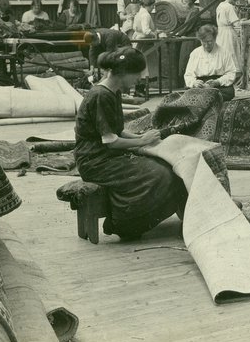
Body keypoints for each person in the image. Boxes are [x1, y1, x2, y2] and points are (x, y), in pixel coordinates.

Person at [74, 47, 187, 241]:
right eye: (136, 75)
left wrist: (140, 138)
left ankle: (187, 215)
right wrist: (142, 142)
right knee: (161, 174)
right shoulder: (101, 96)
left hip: (105, 155)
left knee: (168, 167)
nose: (138, 80)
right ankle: (124, 224)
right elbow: (110, 142)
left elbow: (116, 131)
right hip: (94, 161)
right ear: (123, 73)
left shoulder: (113, 91)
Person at [183, 23, 238, 100]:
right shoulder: (195, 53)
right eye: (203, 42)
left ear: (215, 39)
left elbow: (231, 73)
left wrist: (217, 82)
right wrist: (194, 83)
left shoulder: (224, 53)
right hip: (200, 84)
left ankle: (204, 98)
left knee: (229, 92)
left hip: (218, 84)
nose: (206, 45)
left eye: (209, 41)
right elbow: (188, 75)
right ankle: (209, 97)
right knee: (188, 93)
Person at [215, 0, 250, 68]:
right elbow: (237, 24)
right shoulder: (229, 7)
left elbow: (228, 20)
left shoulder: (220, 5)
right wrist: (249, 21)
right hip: (228, 34)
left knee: (222, 55)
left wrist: (241, 20)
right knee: (231, 54)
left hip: (220, 33)